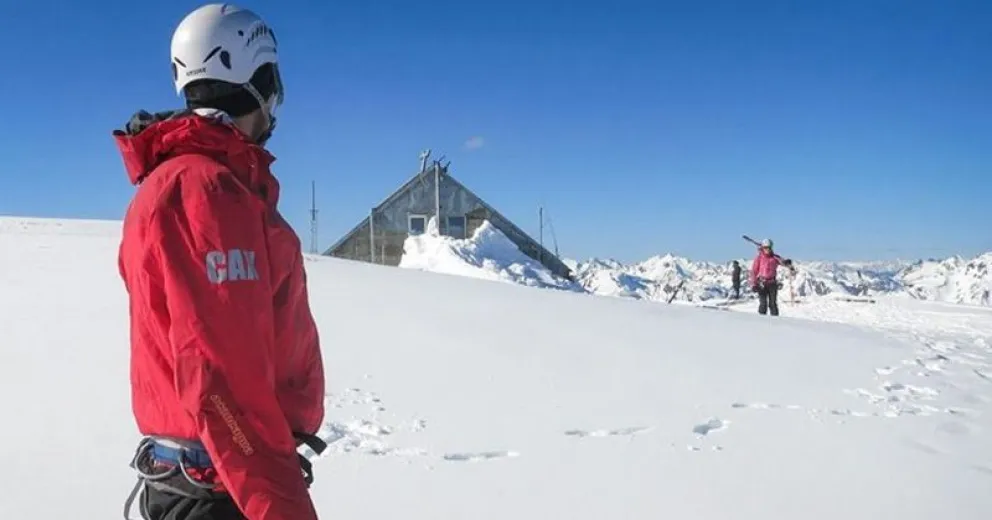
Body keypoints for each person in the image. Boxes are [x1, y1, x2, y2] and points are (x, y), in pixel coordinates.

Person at [114, 4, 326, 520]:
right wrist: (280, 505)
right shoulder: (203, 192)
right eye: (272, 81)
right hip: (225, 486)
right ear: (258, 78)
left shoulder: (208, 184)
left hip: (224, 479)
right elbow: (219, 378)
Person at [749, 238, 787, 316]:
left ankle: (776, 322)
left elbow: (782, 262)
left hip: (772, 283)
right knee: (763, 304)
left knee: (773, 304)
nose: (768, 249)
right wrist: (754, 284)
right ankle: (762, 322)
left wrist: (787, 262)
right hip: (761, 283)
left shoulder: (774, 257)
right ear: (763, 248)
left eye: (769, 247)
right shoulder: (759, 258)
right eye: (766, 248)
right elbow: (754, 271)